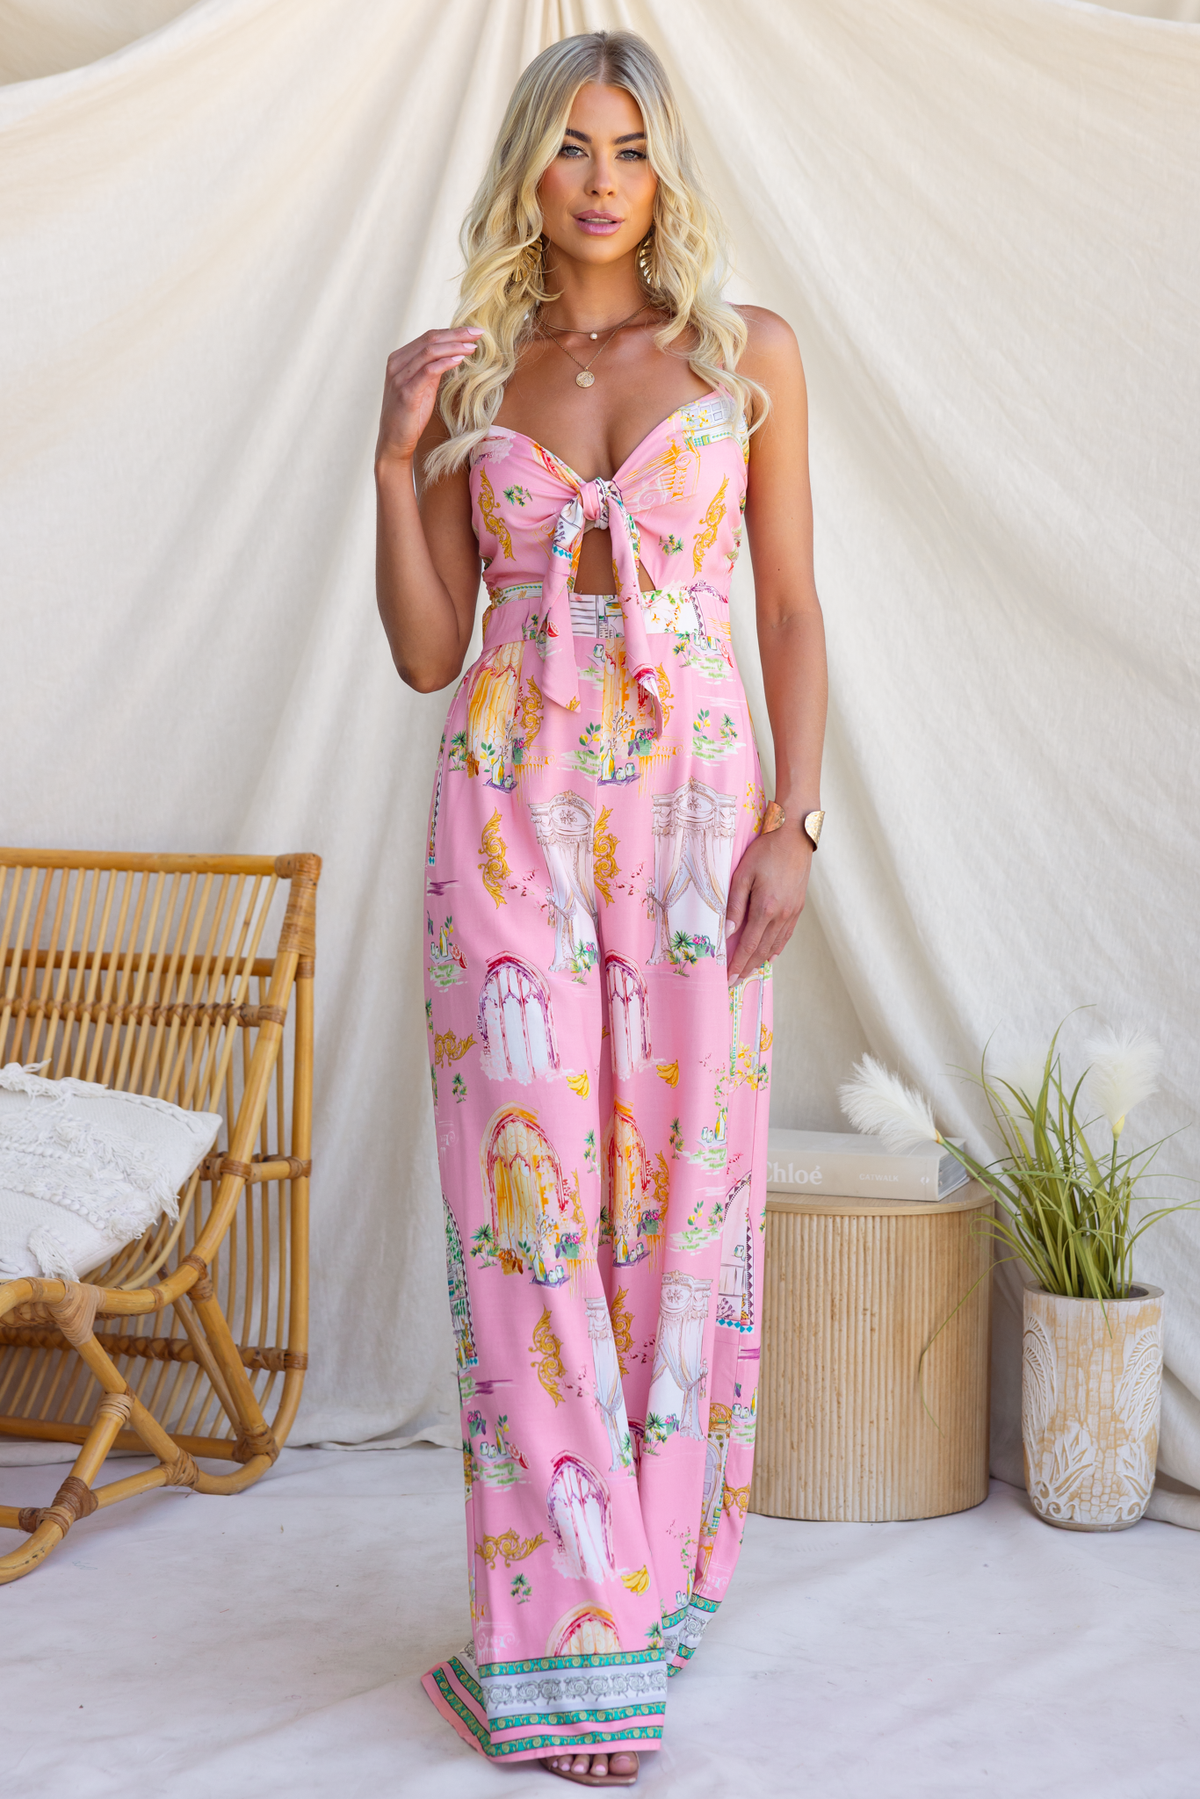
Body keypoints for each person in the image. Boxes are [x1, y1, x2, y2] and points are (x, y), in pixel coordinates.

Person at [374, 29, 826, 1788]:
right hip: (510, 811)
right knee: (533, 1212)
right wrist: (393, 458)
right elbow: (431, 650)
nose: (601, 179)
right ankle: (572, 1648)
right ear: (529, 166)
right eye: (572, 146)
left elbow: (787, 608)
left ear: (662, 169)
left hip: (698, 822)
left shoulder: (744, 353)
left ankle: (647, 1583)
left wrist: (794, 822)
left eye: (629, 148)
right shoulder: (477, 372)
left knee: (682, 1207)